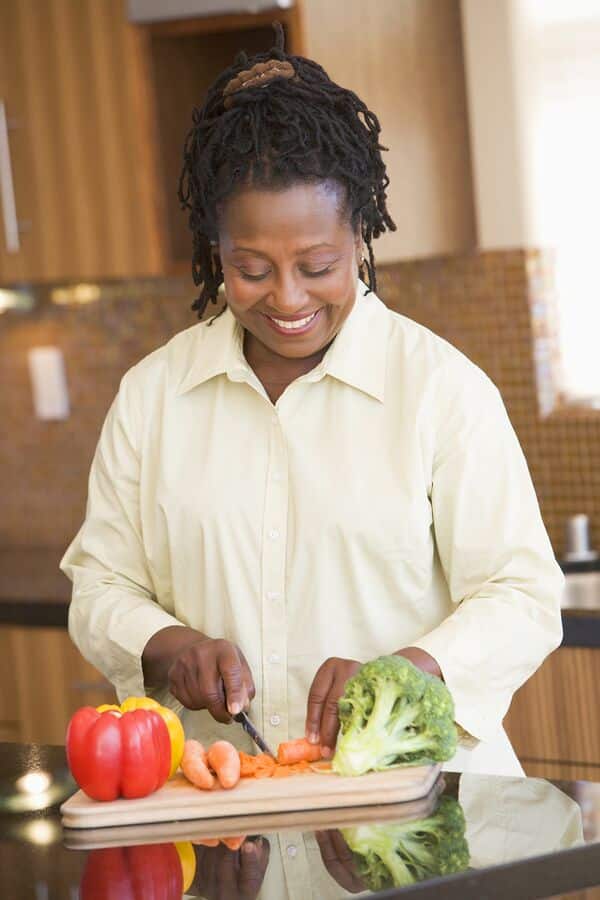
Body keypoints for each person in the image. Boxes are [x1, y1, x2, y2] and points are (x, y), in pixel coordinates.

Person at [60, 25, 563, 776]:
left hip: (420, 809)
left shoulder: (439, 389)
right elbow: (101, 584)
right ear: (213, 251)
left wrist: (412, 668)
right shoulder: (153, 397)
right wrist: (171, 647)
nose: (287, 298)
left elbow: (523, 596)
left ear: (360, 235)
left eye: (317, 264)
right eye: (251, 267)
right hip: (235, 809)